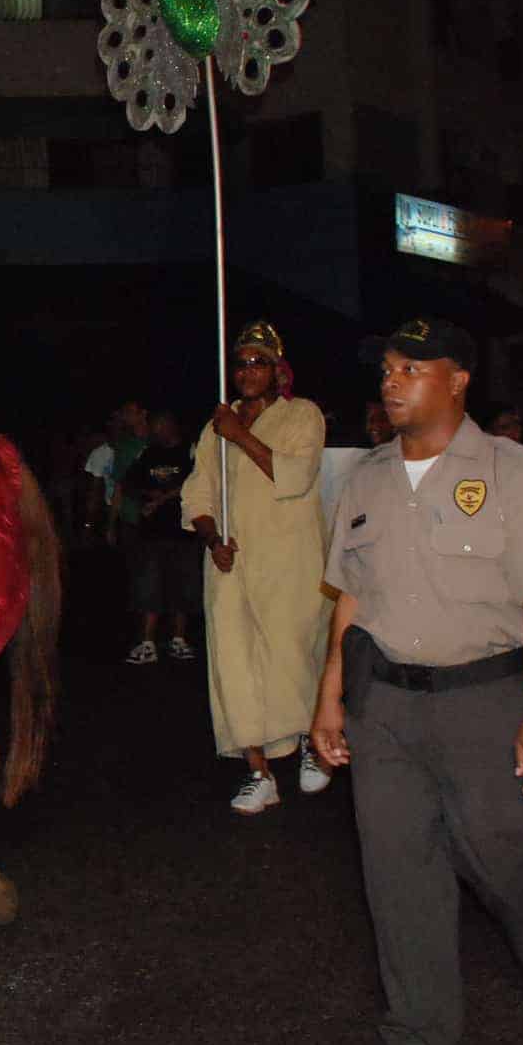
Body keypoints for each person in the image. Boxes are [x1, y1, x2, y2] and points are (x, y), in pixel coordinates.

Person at [310, 317, 523, 1045]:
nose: (391, 381)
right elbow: (352, 600)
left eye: (411, 368)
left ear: (458, 378)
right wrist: (329, 696)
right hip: (387, 707)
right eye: (387, 369)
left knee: (500, 855)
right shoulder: (366, 476)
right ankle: (419, 1037)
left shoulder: (512, 468)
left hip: (486, 699)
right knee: (398, 874)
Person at [179, 321, 331, 812]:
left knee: (290, 652)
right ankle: (258, 772)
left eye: (258, 362)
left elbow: (295, 474)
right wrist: (211, 537)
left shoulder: (302, 415)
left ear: (277, 371)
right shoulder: (215, 426)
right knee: (233, 659)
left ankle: (312, 745)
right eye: (241, 362)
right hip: (230, 561)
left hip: (289, 561)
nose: (248, 371)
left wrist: (239, 435)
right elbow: (197, 493)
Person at [119, 410, 199, 664]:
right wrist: (147, 495)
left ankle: (178, 639)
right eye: (154, 427)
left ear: (172, 425)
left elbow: (197, 482)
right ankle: (147, 643)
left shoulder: (190, 450)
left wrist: (164, 498)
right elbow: (128, 482)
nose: (156, 430)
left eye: (160, 425)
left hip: (183, 532)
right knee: (149, 587)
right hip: (152, 534)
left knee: (183, 587)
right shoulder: (148, 453)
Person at [102, 399, 150, 547]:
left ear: (143, 414)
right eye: (125, 413)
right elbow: (118, 486)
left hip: (155, 517)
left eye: (130, 412)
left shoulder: (157, 441)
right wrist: (111, 524)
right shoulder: (124, 446)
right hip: (130, 518)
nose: (125, 417)